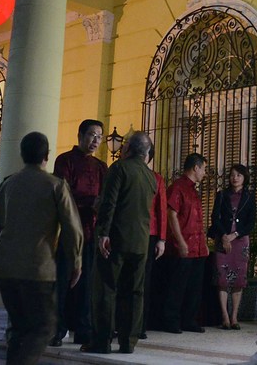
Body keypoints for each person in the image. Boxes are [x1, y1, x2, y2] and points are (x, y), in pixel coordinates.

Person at [0, 132, 83, 365]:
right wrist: (76, 261)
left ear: (22, 154)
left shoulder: (8, 184)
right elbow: (72, 228)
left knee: (19, 328)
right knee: (44, 327)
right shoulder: (56, 185)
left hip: (6, 269)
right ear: (47, 156)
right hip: (37, 270)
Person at [85, 131, 158, 354]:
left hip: (116, 239)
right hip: (141, 242)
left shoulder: (120, 168)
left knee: (106, 289)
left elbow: (110, 203)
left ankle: (102, 341)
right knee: (134, 292)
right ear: (146, 153)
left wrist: (103, 233)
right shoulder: (151, 176)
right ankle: (128, 342)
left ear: (127, 148)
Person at [51, 119, 108, 346]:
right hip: (70, 231)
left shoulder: (101, 166)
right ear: (80, 135)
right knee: (64, 281)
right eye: (92, 135)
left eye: (99, 137)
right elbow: (62, 195)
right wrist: (90, 202)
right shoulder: (65, 161)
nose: (96, 140)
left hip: (93, 232)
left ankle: (84, 329)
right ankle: (57, 329)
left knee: (87, 285)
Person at [162, 152, 210, 334]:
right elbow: (171, 215)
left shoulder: (193, 190)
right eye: (203, 169)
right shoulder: (177, 187)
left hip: (197, 247)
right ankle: (171, 320)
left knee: (194, 287)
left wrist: (203, 244)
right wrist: (181, 242)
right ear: (195, 168)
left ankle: (189, 320)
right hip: (182, 246)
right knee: (177, 286)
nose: (204, 173)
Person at [208, 163, 255, 330]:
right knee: (222, 279)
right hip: (223, 239)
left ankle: (234, 316)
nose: (235, 178)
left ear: (244, 178)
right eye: (232, 175)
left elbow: (251, 223)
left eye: (239, 175)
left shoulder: (249, 197)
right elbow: (215, 218)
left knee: (238, 281)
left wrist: (235, 235)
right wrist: (223, 236)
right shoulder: (221, 195)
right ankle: (224, 316)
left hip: (240, 241)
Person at [140, 142, 167, 340]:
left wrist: (162, 239)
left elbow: (162, 210)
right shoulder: (122, 172)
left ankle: (140, 325)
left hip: (150, 233)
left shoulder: (157, 178)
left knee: (144, 280)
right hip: (128, 232)